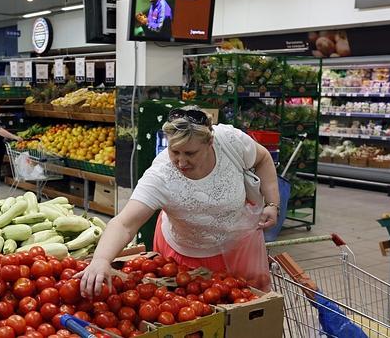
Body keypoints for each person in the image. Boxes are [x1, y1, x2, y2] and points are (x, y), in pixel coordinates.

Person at [78, 106, 280, 297]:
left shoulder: (229, 142)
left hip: (240, 246)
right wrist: (101, 259)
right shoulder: (161, 175)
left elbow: (263, 159)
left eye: (190, 153)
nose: (181, 162)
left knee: (246, 304)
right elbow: (124, 224)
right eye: (175, 152)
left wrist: (272, 203)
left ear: (210, 142)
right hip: (186, 254)